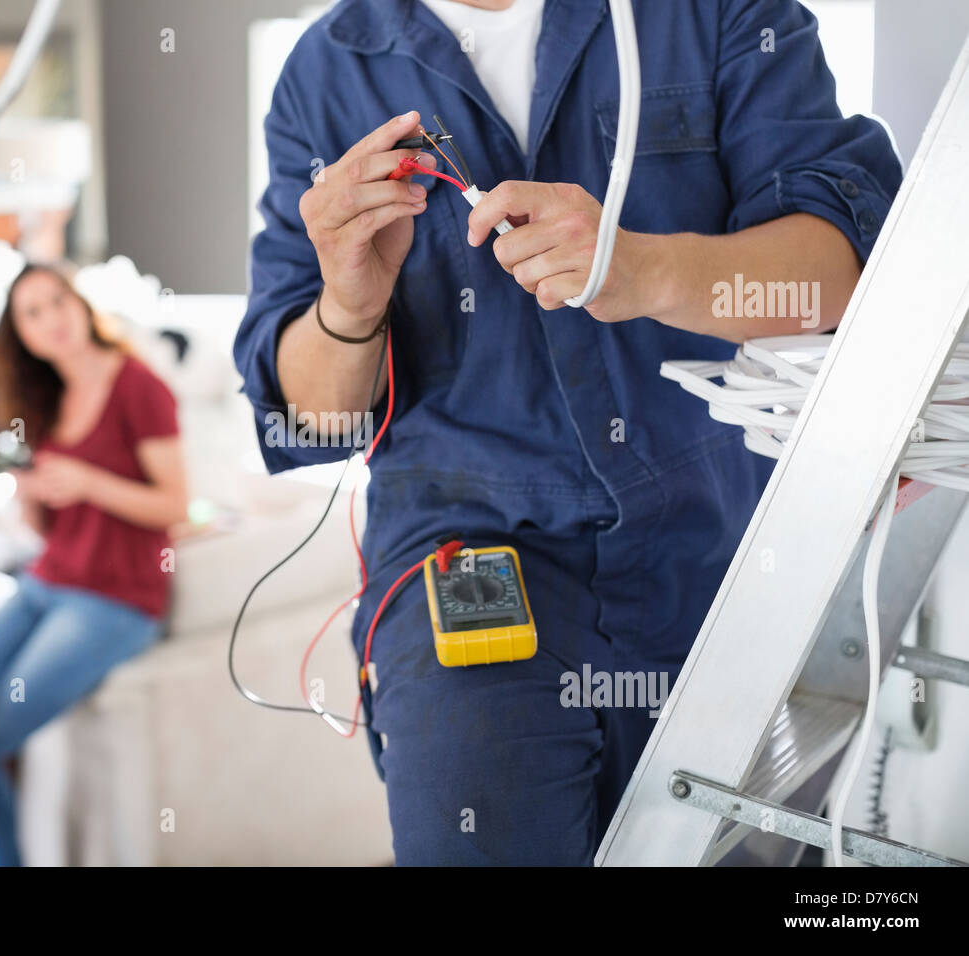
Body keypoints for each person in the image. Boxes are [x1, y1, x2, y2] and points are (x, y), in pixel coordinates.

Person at [234, 0, 903, 864]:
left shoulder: (722, 14)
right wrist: (349, 304)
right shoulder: (327, 70)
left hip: (720, 551)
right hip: (463, 548)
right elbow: (316, 417)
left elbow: (842, 283)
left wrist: (643, 268)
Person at [0, 263, 187, 866]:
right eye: (31, 314)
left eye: (56, 302)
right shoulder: (45, 399)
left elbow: (174, 502)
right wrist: (33, 500)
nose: (50, 320)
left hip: (116, 600)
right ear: (23, 336)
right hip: (48, 580)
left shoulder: (139, 386)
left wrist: (90, 480)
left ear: (80, 305)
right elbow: (50, 530)